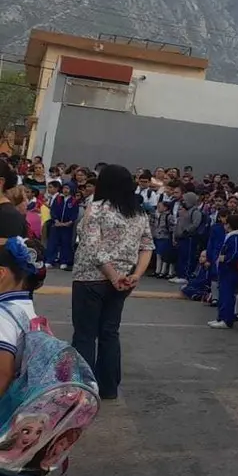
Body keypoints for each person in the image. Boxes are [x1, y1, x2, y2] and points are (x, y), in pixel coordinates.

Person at [70, 164, 152, 401]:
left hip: (90, 278)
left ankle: (84, 389)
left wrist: (112, 275)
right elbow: (146, 247)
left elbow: (94, 249)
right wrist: (135, 275)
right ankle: (108, 387)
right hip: (123, 281)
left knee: (85, 334)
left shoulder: (96, 208)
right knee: (109, 332)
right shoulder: (139, 213)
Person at [0, 237, 42, 476]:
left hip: (4, 420)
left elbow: (2, 375)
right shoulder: (28, 310)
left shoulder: (3, 317)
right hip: (24, 418)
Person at [208, 213, 238, 329]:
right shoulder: (230, 236)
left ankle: (227, 319)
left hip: (230, 270)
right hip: (224, 270)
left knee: (227, 295)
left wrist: (226, 259)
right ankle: (221, 316)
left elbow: (236, 253)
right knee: (223, 294)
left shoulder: (235, 238)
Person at [46, 181, 77, 271]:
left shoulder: (74, 201)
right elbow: (53, 210)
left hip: (67, 226)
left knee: (65, 243)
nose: (65, 190)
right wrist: (56, 220)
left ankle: (64, 261)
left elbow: (74, 213)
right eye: (64, 188)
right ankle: (50, 260)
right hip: (56, 224)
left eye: (67, 188)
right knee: (52, 242)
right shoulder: (58, 198)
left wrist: (69, 222)